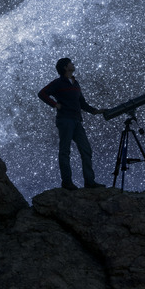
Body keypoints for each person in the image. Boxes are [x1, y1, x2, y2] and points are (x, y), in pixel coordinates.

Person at [38, 57, 106, 190]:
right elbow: (42, 93)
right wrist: (55, 104)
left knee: (86, 149)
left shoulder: (75, 83)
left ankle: (89, 182)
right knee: (65, 151)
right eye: (71, 63)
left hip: (76, 121)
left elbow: (82, 103)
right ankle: (67, 182)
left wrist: (95, 111)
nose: (73, 64)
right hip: (65, 120)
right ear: (65, 67)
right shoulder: (58, 83)